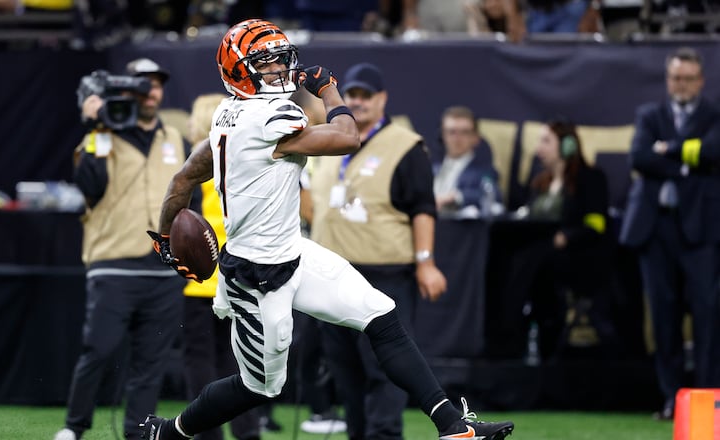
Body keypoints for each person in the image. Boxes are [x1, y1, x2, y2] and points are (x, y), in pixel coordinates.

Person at [141, 18, 514, 440]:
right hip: (258, 275)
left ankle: (453, 427)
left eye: (280, 61)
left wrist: (166, 238)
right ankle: (171, 432)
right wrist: (330, 88)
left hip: (292, 252)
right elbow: (347, 136)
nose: (278, 71)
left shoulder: (228, 114)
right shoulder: (266, 118)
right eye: (265, 64)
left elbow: (183, 179)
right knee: (260, 386)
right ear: (237, 70)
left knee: (381, 313)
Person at [53, 58, 189, 440]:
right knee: (98, 349)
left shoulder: (176, 140)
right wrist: (97, 125)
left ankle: (137, 434)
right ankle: (74, 428)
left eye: (157, 83)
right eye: (143, 83)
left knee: (151, 362)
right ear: (124, 89)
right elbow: (89, 187)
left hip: (163, 268)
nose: (151, 90)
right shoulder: (100, 137)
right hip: (113, 263)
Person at [307, 61, 444, 440]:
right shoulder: (328, 140)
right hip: (331, 273)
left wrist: (426, 262)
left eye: (366, 95)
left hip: (383, 272)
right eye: (352, 95)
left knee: (383, 367)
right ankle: (357, 434)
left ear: (382, 99)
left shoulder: (405, 145)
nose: (358, 102)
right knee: (344, 368)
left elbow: (423, 208)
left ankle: (384, 435)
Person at [619, 47, 720, 421]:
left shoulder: (713, 115)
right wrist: (686, 165)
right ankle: (671, 399)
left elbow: (713, 151)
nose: (683, 84)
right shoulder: (650, 115)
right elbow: (640, 157)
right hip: (655, 228)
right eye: (677, 77)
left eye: (689, 78)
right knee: (663, 316)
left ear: (701, 81)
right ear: (668, 79)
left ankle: (709, 399)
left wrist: (669, 151)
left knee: (708, 317)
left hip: (701, 230)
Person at [488, 119, 615, 360]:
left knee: (531, 259)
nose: (539, 147)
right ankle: (503, 333)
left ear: (567, 146)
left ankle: (512, 323)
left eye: (547, 141)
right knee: (512, 257)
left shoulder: (590, 178)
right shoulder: (540, 183)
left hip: (578, 259)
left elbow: (597, 225)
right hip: (541, 258)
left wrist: (566, 237)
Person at [181, 92, 262, 440]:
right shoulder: (243, 157)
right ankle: (246, 430)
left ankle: (206, 431)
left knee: (200, 362)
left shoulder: (196, 161)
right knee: (238, 361)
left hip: (199, 275)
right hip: (238, 272)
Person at [433, 106, 502, 215]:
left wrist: (455, 197)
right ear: (442, 135)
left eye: (464, 132)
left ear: (476, 138)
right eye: (451, 132)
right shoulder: (433, 169)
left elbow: (493, 196)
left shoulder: (484, 171)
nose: (457, 138)